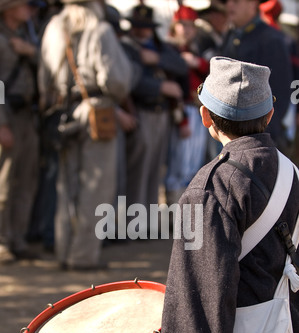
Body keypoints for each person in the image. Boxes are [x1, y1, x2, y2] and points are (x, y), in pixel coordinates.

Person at [159, 57, 299, 333]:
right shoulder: (291, 172)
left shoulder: (210, 187)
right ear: (271, 113)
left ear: (205, 116)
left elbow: (199, 292)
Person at [38, 0, 133, 269]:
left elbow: (43, 78)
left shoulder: (53, 28)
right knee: (97, 187)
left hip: (62, 113)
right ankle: (83, 257)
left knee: (66, 186)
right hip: (96, 112)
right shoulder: (100, 30)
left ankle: (63, 250)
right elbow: (116, 80)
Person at [121, 3, 188, 237]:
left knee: (155, 171)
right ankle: (132, 226)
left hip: (163, 115)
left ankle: (147, 226)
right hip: (142, 111)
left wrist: (156, 60)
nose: (143, 31)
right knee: (138, 171)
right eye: (139, 26)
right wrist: (161, 86)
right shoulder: (126, 47)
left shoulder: (159, 48)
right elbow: (130, 82)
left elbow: (180, 66)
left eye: (146, 26)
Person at [219, 0, 294, 153]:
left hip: (255, 136)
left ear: (253, 4)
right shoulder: (231, 35)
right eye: (228, 2)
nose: (229, 6)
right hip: (228, 129)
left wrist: (263, 132)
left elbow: (280, 91)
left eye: (236, 2)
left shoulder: (271, 39)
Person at [0, 0, 39, 263]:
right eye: (24, 4)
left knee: (26, 180)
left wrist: (30, 51)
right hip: (7, 114)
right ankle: (2, 241)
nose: (29, 9)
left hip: (27, 114)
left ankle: (18, 238)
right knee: (4, 183)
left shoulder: (27, 34)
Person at [165, 5, 210, 206]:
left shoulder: (195, 49)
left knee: (193, 166)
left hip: (197, 108)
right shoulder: (170, 49)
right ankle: (175, 213)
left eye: (191, 26)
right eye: (183, 25)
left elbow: (210, 70)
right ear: (175, 27)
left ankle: (186, 213)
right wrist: (181, 118)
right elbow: (174, 90)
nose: (188, 30)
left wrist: (197, 62)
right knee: (179, 167)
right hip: (181, 111)